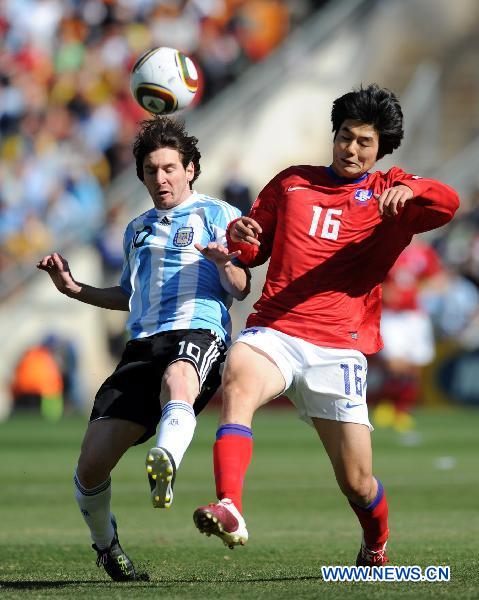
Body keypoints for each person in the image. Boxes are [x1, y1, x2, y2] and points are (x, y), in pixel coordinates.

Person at [192, 84, 459, 566]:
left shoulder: (389, 195)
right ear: (333, 135)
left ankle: (375, 543)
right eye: (345, 137)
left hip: (338, 348)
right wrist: (241, 237)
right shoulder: (291, 183)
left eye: (364, 142)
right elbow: (253, 248)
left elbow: (448, 203)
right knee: (239, 375)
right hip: (275, 329)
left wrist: (411, 188)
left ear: (381, 150)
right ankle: (230, 505)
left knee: (357, 483)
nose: (352, 148)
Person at [37, 116, 250, 582]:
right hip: (141, 346)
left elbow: (240, 285)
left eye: (171, 168)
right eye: (152, 170)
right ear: (142, 175)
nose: (162, 178)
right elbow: (128, 296)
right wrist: (75, 289)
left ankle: (167, 460)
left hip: (199, 332)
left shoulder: (219, 214)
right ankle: (108, 548)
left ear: (191, 169)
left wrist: (223, 261)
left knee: (179, 378)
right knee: (90, 467)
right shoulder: (137, 228)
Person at [370, 237, 444, 434]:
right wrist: (385, 292)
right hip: (391, 316)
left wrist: (416, 292)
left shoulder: (424, 252)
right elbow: (374, 277)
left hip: (414, 316)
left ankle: (402, 410)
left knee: (413, 367)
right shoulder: (389, 246)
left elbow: (437, 280)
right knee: (395, 364)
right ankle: (387, 403)